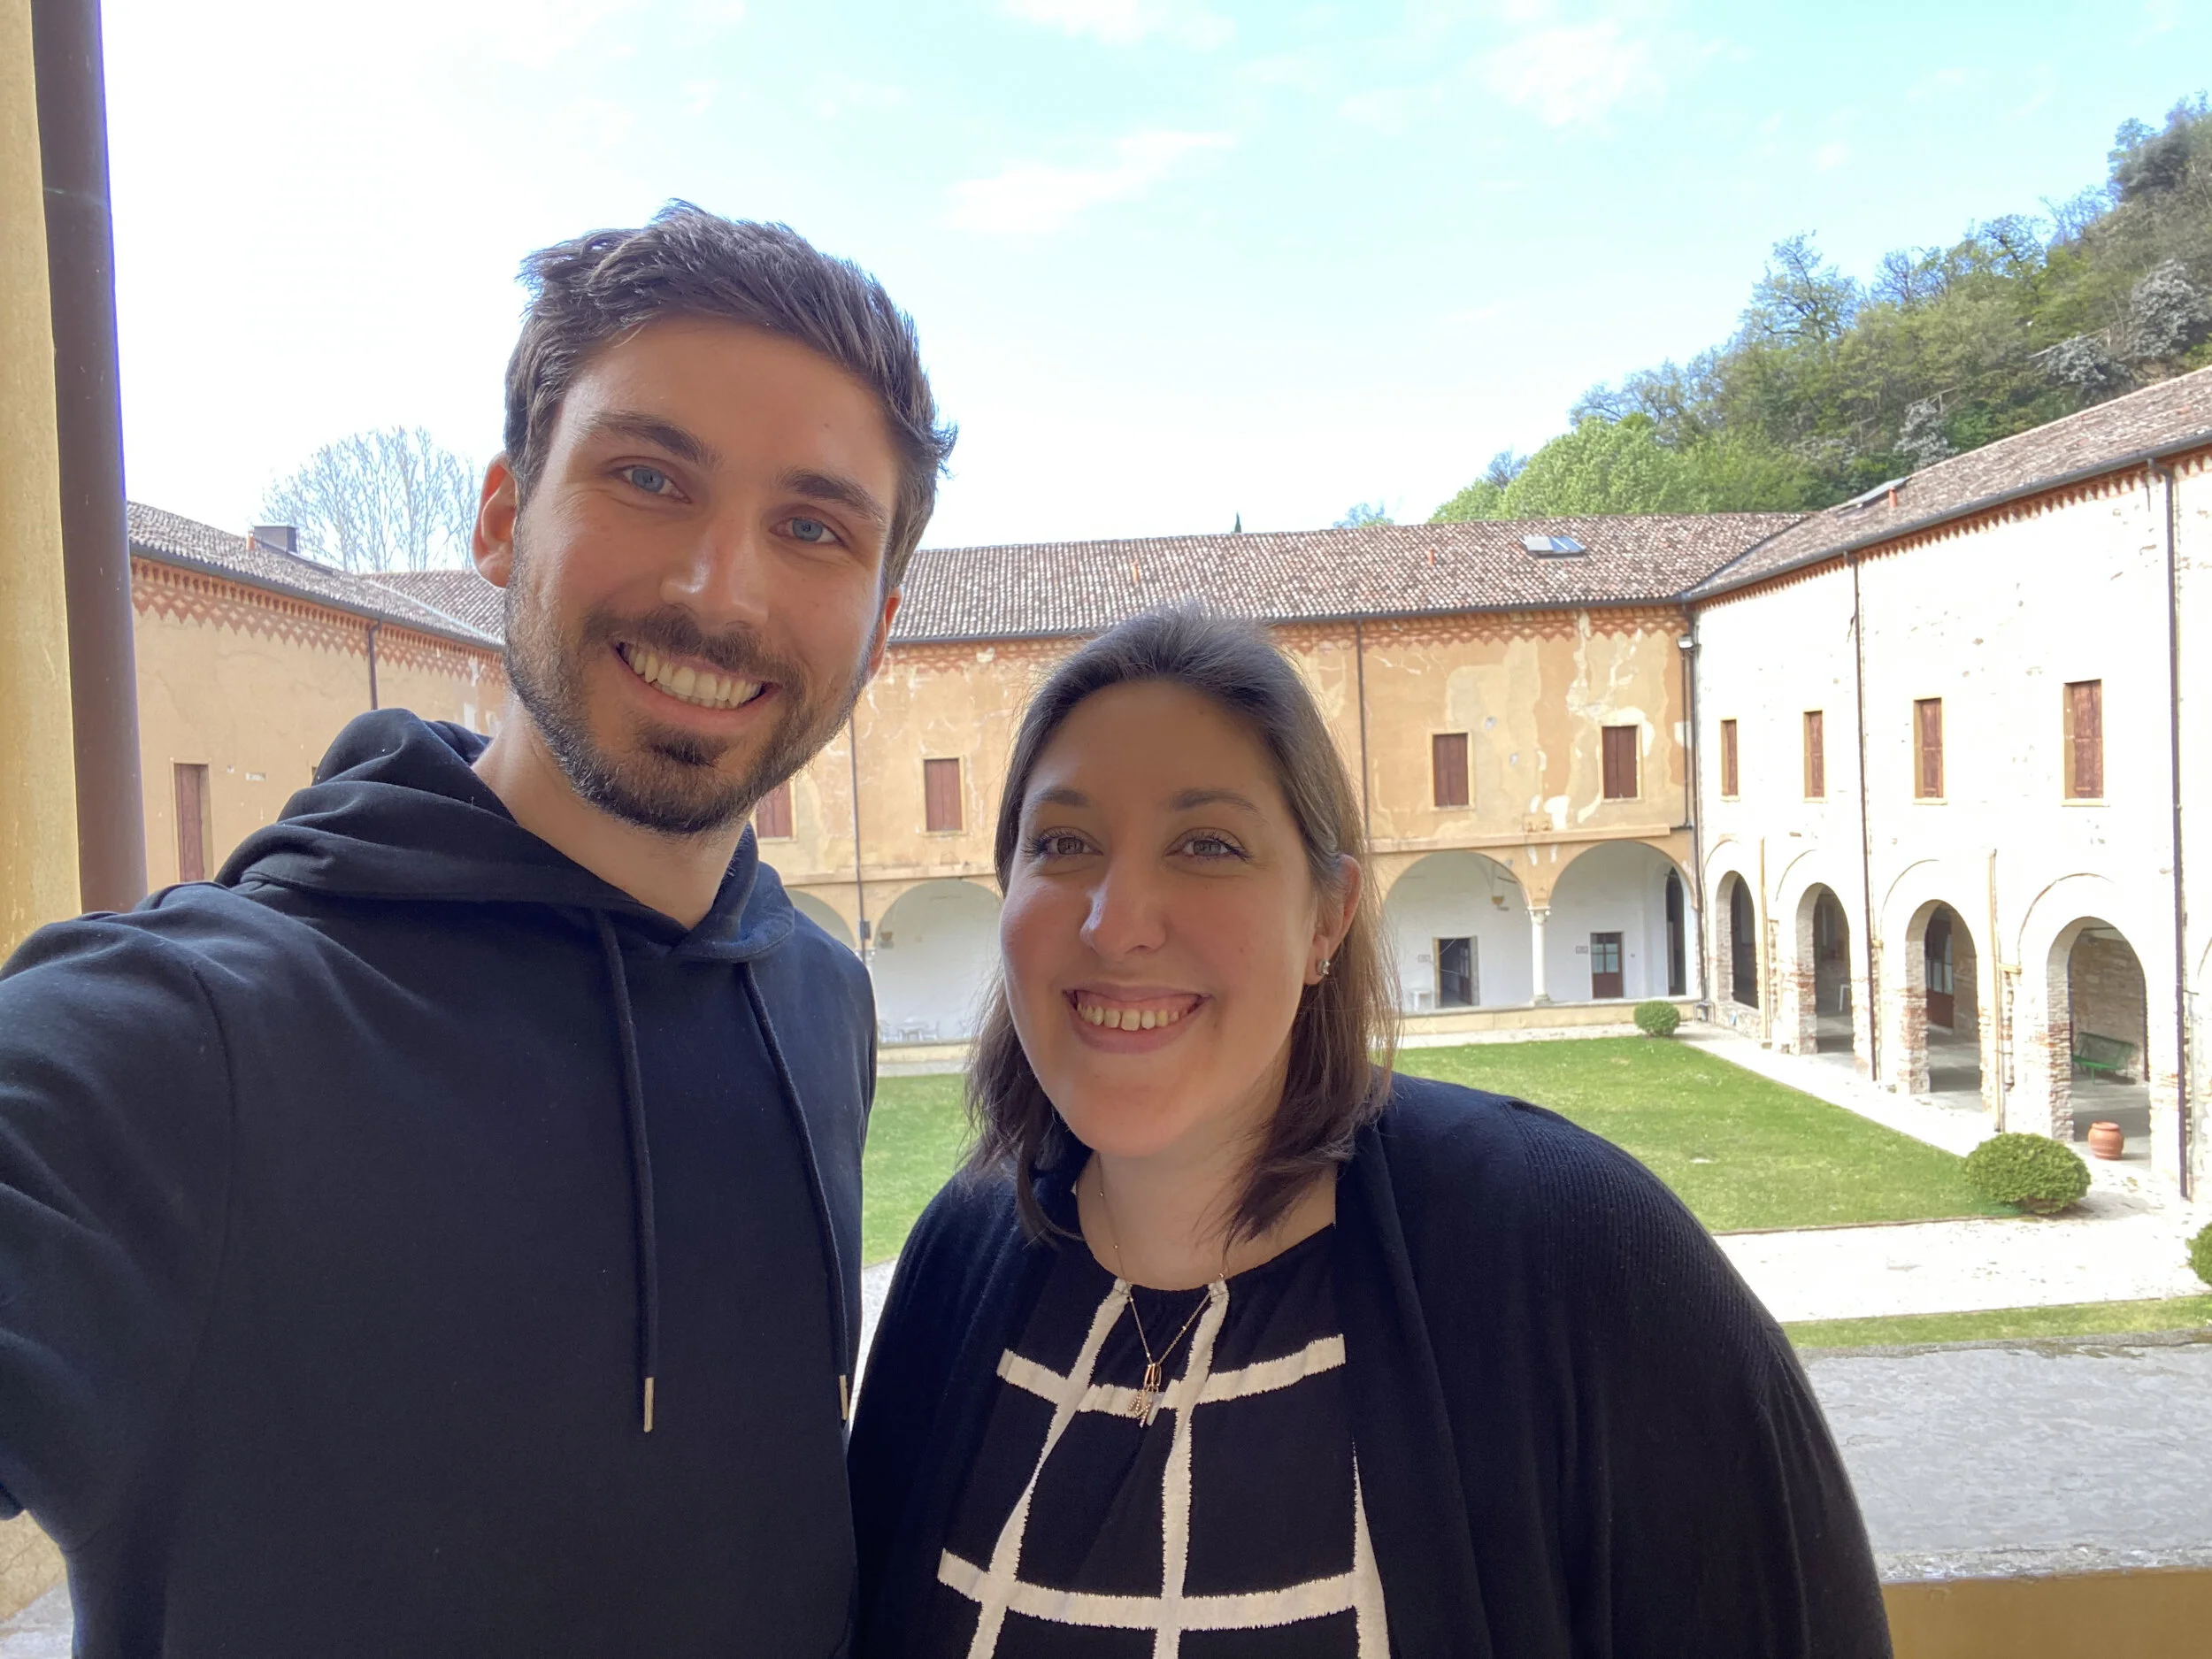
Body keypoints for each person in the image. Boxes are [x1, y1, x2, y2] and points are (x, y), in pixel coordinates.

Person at [0, 205, 953, 1655]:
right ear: (504, 519)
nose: (720, 591)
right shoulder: (186, 1043)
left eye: (813, 528)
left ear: (878, 624)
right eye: (648, 476)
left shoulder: (818, 998)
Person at [849, 611, 1891, 1658]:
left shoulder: (1575, 1258)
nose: (1117, 922)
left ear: (1326, 918)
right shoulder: (958, 1259)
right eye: (1063, 843)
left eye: (1207, 845)